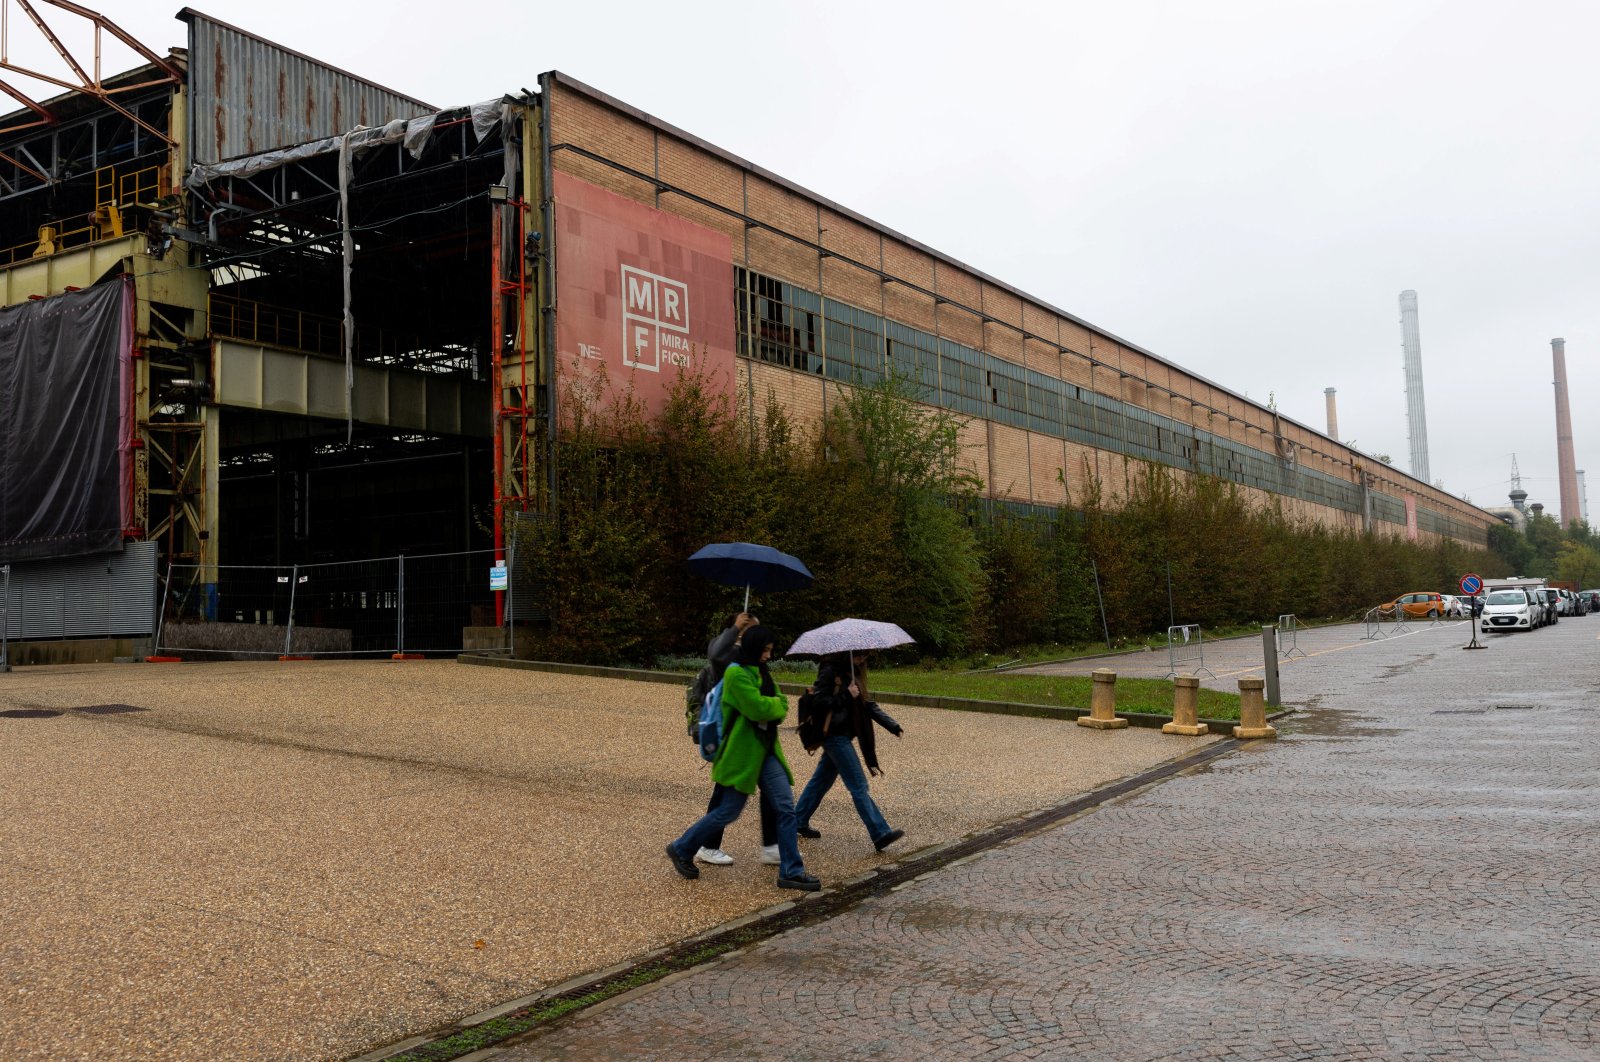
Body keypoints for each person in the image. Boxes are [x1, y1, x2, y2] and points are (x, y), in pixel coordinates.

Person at [666, 625, 819, 891]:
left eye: (771, 650)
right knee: (727, 811)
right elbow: (758, 707)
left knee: (785, 807)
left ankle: (791, 872)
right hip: (742, 755)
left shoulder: (761, 672)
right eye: (766, 650)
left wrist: (772, 707)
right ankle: (682, 847)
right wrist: (772, 706)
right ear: (754, 647)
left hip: (766, 752)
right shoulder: (736, 674)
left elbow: (780, 706)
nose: (769, 656)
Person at [793, 650, 905, 852]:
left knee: (820, 781)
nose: (862, 660)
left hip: (841, 735)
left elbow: (865, 704)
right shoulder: (830, 670)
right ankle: (879, 833)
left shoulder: (852, 673)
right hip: (834, 736)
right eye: (859, 656)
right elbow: (818, 701)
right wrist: (846, 695)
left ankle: (798, 820)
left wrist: (891, 725)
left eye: (865, 657)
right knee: (858, 785)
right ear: (847, 654)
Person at [695, 612, 777, 867]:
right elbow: (715, 654)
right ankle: (701, 845)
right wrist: (735, 629)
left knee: (775, 792)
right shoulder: (730, 659)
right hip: (735, 735)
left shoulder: (753, 659)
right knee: (725, 796)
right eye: (752, 630)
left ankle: (772, 846)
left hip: (755, 736)